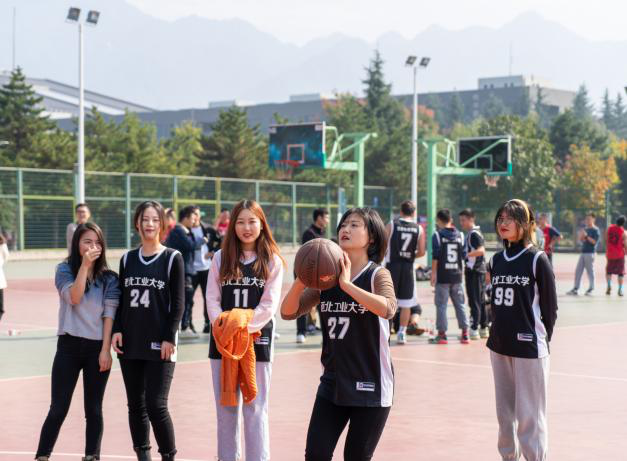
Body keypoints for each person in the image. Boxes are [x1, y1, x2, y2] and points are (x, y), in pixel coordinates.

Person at [281, 207, 396, 461]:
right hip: (333, 381)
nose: (346, 229)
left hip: (371, 383)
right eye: (343, 224)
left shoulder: (377, 274)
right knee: (316, 454)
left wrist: (347, 285)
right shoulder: (325, 278)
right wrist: (301, 279)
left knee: (356, 457)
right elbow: (288, 313)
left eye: (354, 225)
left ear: (372, 237)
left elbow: (388, 308)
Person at [206, 199, 285, 461]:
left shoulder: (272, 260)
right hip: (223, 341)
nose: (246, 227)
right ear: (233, 226)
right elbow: (212, 299)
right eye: (240, 222)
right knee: (225, 408)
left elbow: (269, 305)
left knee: (256, 407)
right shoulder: (221, 257)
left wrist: (241, 328)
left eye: (252, 221)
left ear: (262, 224)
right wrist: (224, 327)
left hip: (257, 341)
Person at [35, 223, 120, 461]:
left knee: (93, 409)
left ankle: (92, 456)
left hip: (96, 349)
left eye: (97, 242)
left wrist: (106, 350)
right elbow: (74, 297)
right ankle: (42, 456)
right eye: (87, 242)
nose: (93, 246)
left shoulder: (110, 279)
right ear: (77, 244)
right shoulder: (64, 270)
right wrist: (84, 266)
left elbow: (109, 316)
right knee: (58, 408)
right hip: (68, 347)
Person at [112, 201, 184, 461]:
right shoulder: (127, 259)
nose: (150, 224)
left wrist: (169, 336)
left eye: (155, 219)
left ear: (162, 224)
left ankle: (168, 456)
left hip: (160, 342)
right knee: (136, 405)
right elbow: (120, 298)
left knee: (156, 405)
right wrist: (117, 329)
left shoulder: (172, 257)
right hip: (131, 341)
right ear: (137, 223)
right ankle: (143, 455)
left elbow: (178, 303)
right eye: (145, 219)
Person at [487, 199, 558, 461]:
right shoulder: (495, 260)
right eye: (500, 218)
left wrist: (540, 337)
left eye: (510, 218)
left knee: (530, 414)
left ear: (526, 224)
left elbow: (550, 308)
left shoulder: (537, 259)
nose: (503, 222)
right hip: (499, 345)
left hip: (529, 347)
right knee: (504, 414)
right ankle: (509, 457)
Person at [384, 200, 425, 345]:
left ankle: (385, 331)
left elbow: (382, 243)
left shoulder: (392, 224)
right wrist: (410, 255)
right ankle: (402, 333)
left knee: (388, 301)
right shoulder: (418, 228)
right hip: (408, 268)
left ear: (401, 211)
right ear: (414, 213)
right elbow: (421, 251)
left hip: (392, 267)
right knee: (407, 303)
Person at [166, 205, 207, 338]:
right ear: (186, 218)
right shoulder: (178, 231)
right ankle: (184, 327)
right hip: (182, 271)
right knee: (185, 298)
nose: (194, 221)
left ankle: (185, 326)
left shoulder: (185, 231)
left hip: (186, 270)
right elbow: (189, 245)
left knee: (187, 299)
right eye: (193, 218)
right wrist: (202, 240)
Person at [430, 209, 469, 344]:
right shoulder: (461, 235)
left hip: (443, 276)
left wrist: (433, 274)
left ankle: (442, 335)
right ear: (451, 219)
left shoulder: (437, 235)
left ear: (438, 220)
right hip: (457, 276)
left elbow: (435, 257)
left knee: (441, 305)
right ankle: (465, 333)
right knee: (460, 304)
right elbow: (464, 256)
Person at [296, 207, 330, 344]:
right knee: (303, 302)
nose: (328, 220)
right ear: (319, 218)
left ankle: (325, 334)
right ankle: (301, 332)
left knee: (322, 303)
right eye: (326, 217)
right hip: (306, 273)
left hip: (320, 274)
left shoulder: (322, 233)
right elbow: (308, 256)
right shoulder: (309, 233)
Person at [188, 207, 221, 334]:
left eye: (196, 214)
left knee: (208, 298)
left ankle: (208, 323)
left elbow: (220, 242)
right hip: (192, 270)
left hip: (206, 268)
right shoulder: (186, 231)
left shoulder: (208, 229)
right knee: (189, 299)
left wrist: (212, 252)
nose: (195, 217)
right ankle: (188, 324)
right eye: (192, 214)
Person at [459, 208, 488, 340]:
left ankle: (475, 328)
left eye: (463, 220)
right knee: (480, 300)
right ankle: (483, 327)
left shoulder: (473, 234)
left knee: (474, 300)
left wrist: (466, 255)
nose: (461, 223)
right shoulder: (475, 233)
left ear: (471, 219)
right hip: (479, 270)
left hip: (474, 271)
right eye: (460, 220)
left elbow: (481, 250)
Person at [567, 212, 600, 296]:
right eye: (586, 219)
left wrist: (586, 236)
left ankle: (591, 288)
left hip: (590, 253)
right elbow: (581, 240)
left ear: (593, 219)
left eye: (589, 219)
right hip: (583, 253)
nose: (587, 220)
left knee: (590, 272)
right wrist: (581, 236)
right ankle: (576, 288)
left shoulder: (596, 230)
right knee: (578, 271)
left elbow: (594, 242)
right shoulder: (586, 229)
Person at [605, 215, 627, 296]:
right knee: (620, 273)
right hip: (620, 255)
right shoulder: (623, 232)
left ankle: (609, 285)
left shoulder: (609, 228)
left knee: (608, 271)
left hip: (610, 254)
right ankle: (620, 289)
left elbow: (606, 239)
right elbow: (625, 244)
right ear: (623, 223)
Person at [0, 233, 7, 322]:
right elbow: (6, 257)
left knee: (1, 309)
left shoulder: (2, 245)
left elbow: (5, 256)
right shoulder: (2, 245)